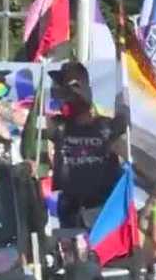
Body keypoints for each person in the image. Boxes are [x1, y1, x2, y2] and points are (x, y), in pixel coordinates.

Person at [47, 61, 127, 229]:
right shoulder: (59, 126)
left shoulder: (106, 126)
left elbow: (125, 116)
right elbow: (30, 127)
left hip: (102, 206)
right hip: (71, 206)